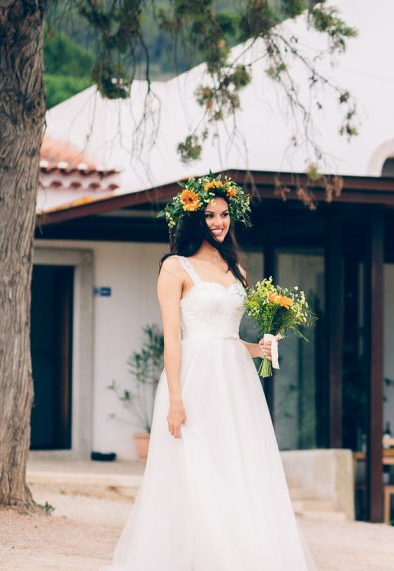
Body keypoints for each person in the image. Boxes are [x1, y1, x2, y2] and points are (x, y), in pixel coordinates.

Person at [105, 174, 315, 570]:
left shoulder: (237, 269)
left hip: (235, 382)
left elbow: (229, 338)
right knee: (193, 465)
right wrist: (175, 398)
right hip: (194, 378)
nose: (218, 222)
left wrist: (260, 348)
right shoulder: (175, 268)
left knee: (234, 463)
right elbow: (173, 337)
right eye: (209, 215)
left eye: (223, 214)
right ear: (194, 218)